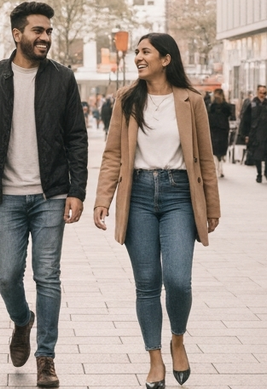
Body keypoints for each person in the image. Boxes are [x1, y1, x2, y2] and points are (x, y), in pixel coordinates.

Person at [0, 1, 88, 389]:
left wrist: (77, 190)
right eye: (38, 30)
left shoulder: (63, 78)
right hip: (4, 196)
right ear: (17, 34)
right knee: (6, 275)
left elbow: (76, 137)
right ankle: (22, 320)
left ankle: (46, 358)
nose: (46, 37)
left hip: (51, 193)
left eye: (49, 31)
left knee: (48, 276)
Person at [94, 33, 219, 389]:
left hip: (180, 194)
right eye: (136, 52)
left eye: (145, 51)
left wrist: (211, 203)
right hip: (138, 195)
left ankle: (177, 338)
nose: (138, 57)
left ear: (166, 59)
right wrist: (103, 198)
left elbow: (205, 157)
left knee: (178, 280)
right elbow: (113, 153)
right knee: (147, 284)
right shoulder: (127, 99)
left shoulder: (192, 100)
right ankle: (154, 357)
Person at [238, 85, 267, 183]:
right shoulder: (252, 104)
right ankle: (259, 174)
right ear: (257, 92)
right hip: (256, 133)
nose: (262, 95)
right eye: (261, 92)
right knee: (257, 155)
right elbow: (246, 120)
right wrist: (245, 135)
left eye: (264, 93)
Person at [207, 89, 233, 178]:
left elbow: (230, 115)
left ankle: (220, 168)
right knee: (214, 149)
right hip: (214, 129)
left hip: (223, 130)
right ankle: (217, 168)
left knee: (221, 150)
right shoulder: (211, 106)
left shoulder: (226, 106)